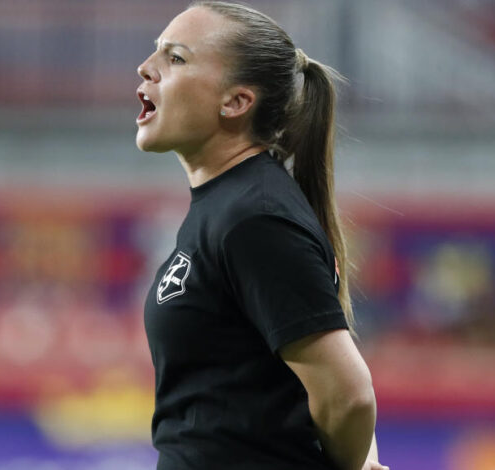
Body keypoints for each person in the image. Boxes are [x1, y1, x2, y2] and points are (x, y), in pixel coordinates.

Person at [136, 2, 387, 470]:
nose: (145, 68)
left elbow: (348, 395)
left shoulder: (254, 217)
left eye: (175, 58)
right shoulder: (233, 205)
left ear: (235, 102)